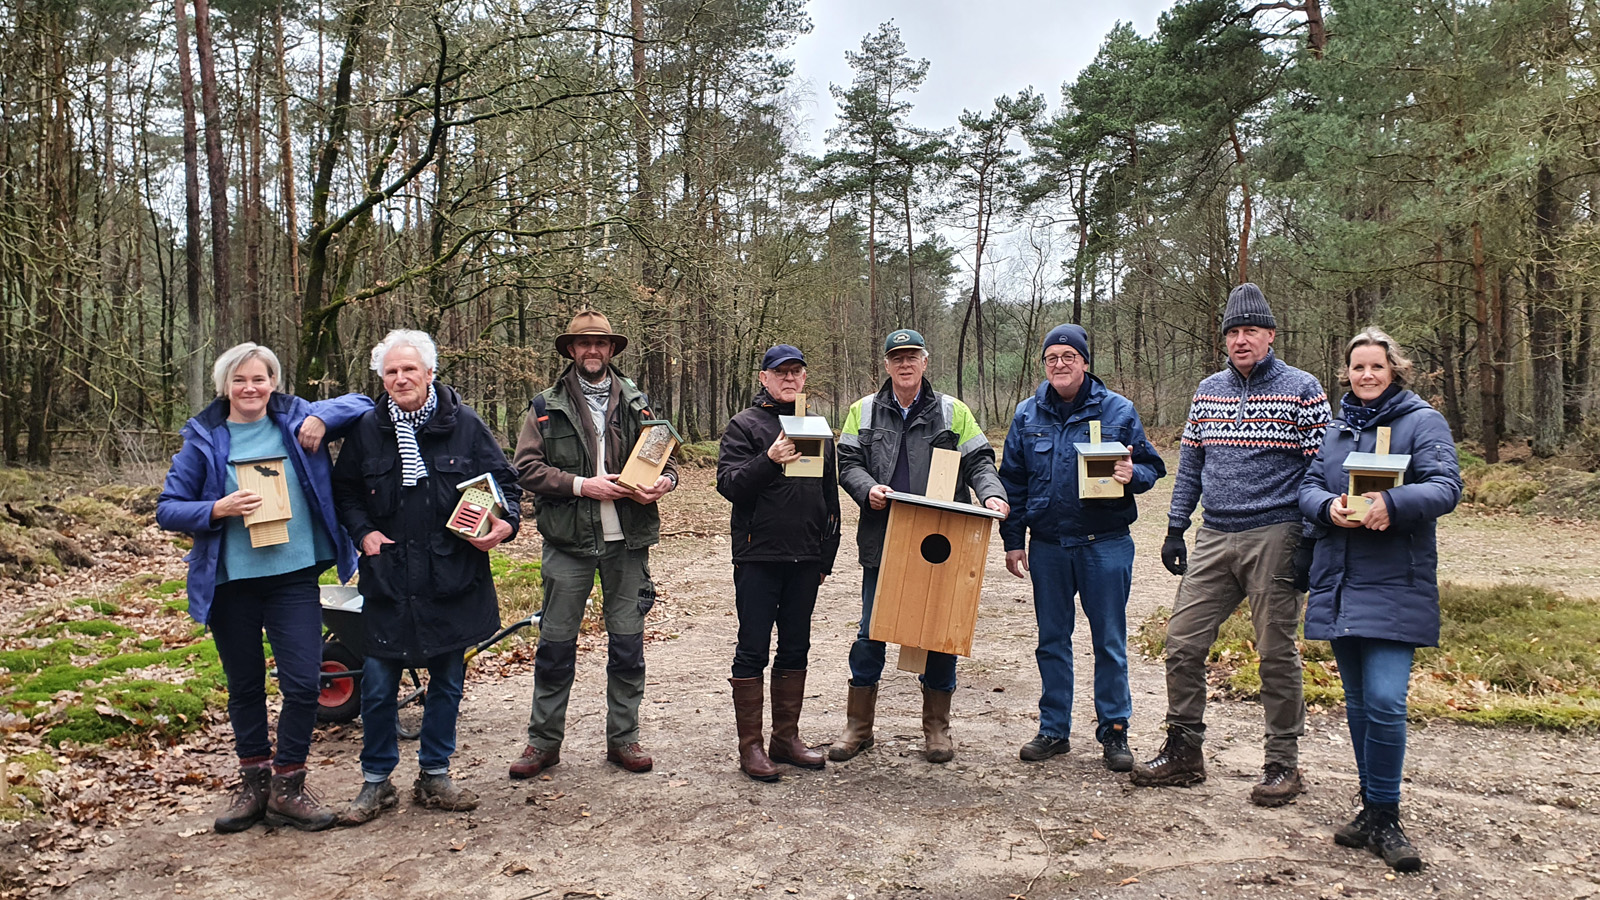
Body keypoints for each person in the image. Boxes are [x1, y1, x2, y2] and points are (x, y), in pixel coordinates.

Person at [157, 342, 373, 833]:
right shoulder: (204, 440)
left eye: (259, 379)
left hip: (293, 578)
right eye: (239, 380)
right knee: (245, 685)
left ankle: (287, 786)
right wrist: (216, 509)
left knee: (302, 683)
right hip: (231, 583)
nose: (250, 388)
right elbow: (167, 508)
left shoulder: (297, 419)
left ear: (273, 382)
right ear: (224, 387)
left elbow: (362, 403)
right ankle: (253, 782)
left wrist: (322, 420)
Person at [1130, 283, 1330, 807]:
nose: (1241, 341)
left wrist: (1311, 538)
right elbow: (1192, 462)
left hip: (1277, 531)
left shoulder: (1303, 389)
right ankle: (1184, 751)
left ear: (1269, 335)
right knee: (1182, 642)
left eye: (1250, 331)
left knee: (1275, 652)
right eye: (1233, 332)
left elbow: (1321, 466)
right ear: (1224, 339)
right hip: (1215, 533)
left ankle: (1283, 762)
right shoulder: (1209, 390)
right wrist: (1176, 527)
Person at [331, 329, 520, 824]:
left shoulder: (465, 426)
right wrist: (363, 533)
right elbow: (345, 491)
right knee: (375, 685)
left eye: (409, 369)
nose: (400, 378)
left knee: (447, 683)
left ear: (430, 373)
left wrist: (504, 525)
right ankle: (377, 783)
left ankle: (435, 774)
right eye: (391, 372)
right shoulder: (367, 430)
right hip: (388, 579)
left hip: (451, 577)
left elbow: (507, 487)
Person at [1299, 328, 1461, 872]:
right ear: (1347, 373)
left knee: (1388, 701)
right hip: (1341, 578)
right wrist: (1326, 509)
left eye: (1377, 367)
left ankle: (1388, 816)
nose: (1366, 376)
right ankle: (1370, 810)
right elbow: (1307, 485)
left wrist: (1392, 502)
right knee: (1360, 703)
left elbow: (1445, 487)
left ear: (1395, 370)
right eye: (1358, 368)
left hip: (1396, 580)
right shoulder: (1336, 428)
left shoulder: (1423, 422)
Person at [829, 328, 1009, 765]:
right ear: (886, 365)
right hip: (885, 538)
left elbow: (979, 460)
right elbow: (847, 462)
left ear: (926, 362)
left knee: (940, 632)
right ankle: (859, 728)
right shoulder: (863, 410)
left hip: (941, 541)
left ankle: (937, 731)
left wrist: (991, 493)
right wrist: (867, 489)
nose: (905, 364)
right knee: (872, 630)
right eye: (897, 357)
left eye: (912, 356)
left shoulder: (954, 410)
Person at [508, 311, 676, 778]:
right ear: (570, 350)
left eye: (600, 343)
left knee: (627, 645)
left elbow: (666, 462)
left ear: (612, 349)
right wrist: (584, 485)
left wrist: (663, 483)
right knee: (556, 646)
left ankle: (623, 739)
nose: (592, 351)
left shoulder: (640, 404)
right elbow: (525, 470)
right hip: (568, 543)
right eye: (583, 343)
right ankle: (543, 743)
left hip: (628, 542)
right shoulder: (546, 405)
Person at [998, 324, 1166, 771]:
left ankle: (1114, 730)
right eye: (1051, 358)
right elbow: (1012, 480)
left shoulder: (1118, 410)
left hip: (1105, 545)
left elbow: (1151, 465)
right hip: (1049, 546)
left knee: (1108, 640)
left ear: (1085, 363)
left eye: (1068, 357)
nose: (1060, 364)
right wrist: (1014, 541)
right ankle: (1054, 729)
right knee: (1052, 641)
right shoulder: (1027, 415)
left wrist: (1136, 477)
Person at [715, 344, 842, 782]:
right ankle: (750, 746)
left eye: (796, 372)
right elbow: (730, 486)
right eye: (780, 372)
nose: (789, 379)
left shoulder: (814, 426)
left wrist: (827, 551)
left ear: (805, 378)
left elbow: (830, 494)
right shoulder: (744, 426)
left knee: (796, 647)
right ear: (764, 378)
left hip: (806, 557)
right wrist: (768, 460)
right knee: (752, 648)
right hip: (758, 555)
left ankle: (785, 739)